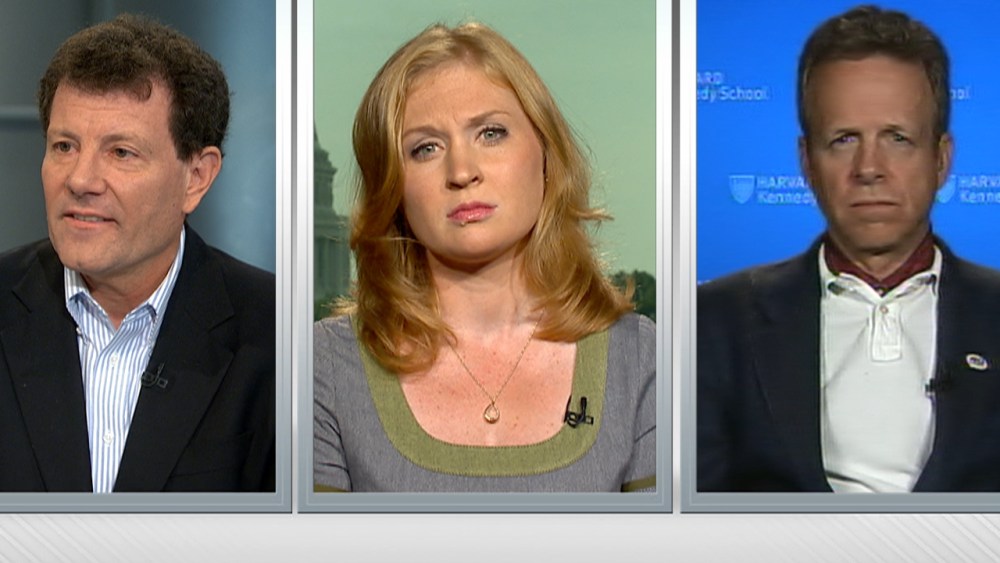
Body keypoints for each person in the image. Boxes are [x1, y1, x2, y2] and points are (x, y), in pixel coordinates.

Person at [313, 22, 656, 492]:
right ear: (392, 187)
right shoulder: (323, 368)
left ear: (546, 153)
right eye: (425, 148)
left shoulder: (641, 359)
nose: (462, 171)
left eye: (491, 133)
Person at [698, 5, 1000, 493]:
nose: (869, 168)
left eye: (897, 138)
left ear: (941, 159)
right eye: (843, 140)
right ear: (807, 162)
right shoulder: (714, 322)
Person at [0, 14, 275, 492]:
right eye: (64, 146)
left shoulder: (276, 331)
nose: (81, 180)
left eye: (121, 152)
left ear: (196, 177)